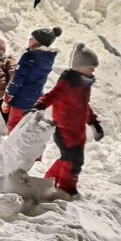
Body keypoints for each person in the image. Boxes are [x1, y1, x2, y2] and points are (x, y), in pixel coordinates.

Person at [33, 43, 104, 197]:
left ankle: (50, 179)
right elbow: (52, 95)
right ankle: (67, 188)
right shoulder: (68, 84)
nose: (93, 70)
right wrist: (40, 104)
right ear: (79, 67)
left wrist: (93, 122)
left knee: (69, 158)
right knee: (74, 161)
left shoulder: (84, 84)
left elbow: (84, 106)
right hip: (64, 130)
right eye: (90, 67)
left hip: (76, 131)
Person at [3, 27, 62, 132]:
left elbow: (18, 79)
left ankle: (11, 147)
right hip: (35, 99)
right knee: (26, 127)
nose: (29, 39)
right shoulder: (48, 58)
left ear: (38, 42)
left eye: (32, 38)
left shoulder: (29, 56)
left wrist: (9, 95)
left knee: (14, 124)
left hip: (21, 100)